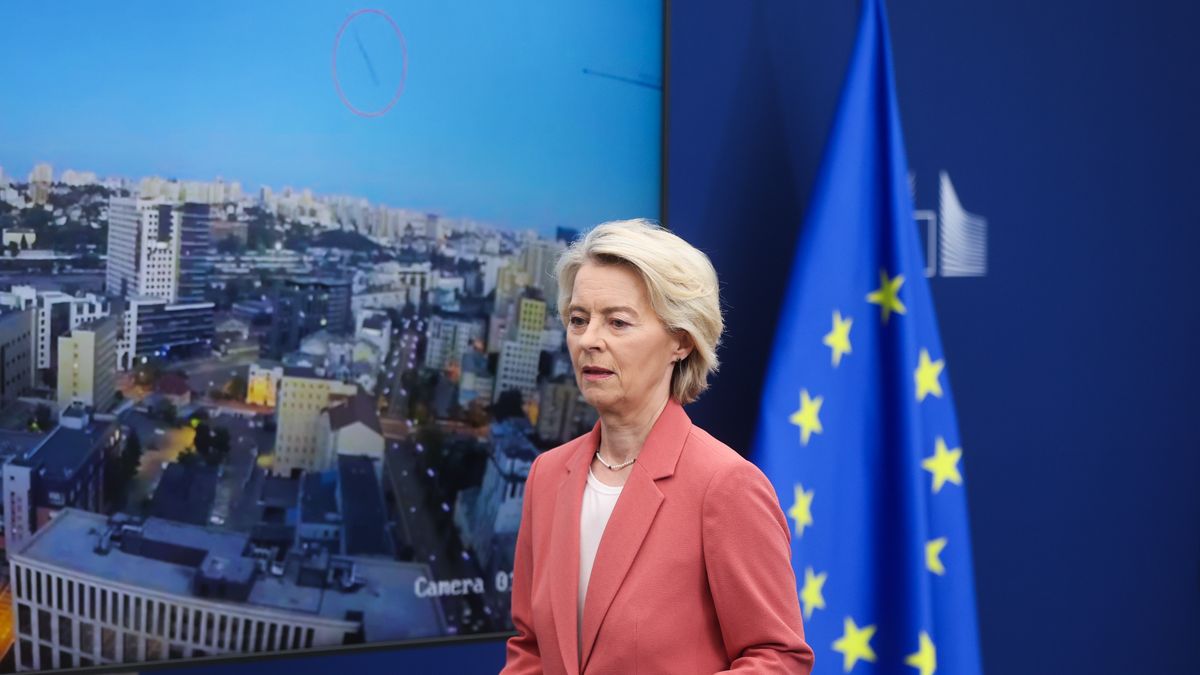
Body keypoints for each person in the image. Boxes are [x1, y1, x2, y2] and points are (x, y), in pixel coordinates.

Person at [502, 220, 813, 674]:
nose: (589, 340)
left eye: (618, 322)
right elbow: (531, 650)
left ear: (681, 341)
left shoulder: (725, 486)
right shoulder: (547, 474)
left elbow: (778, 659)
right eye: (578, 319)